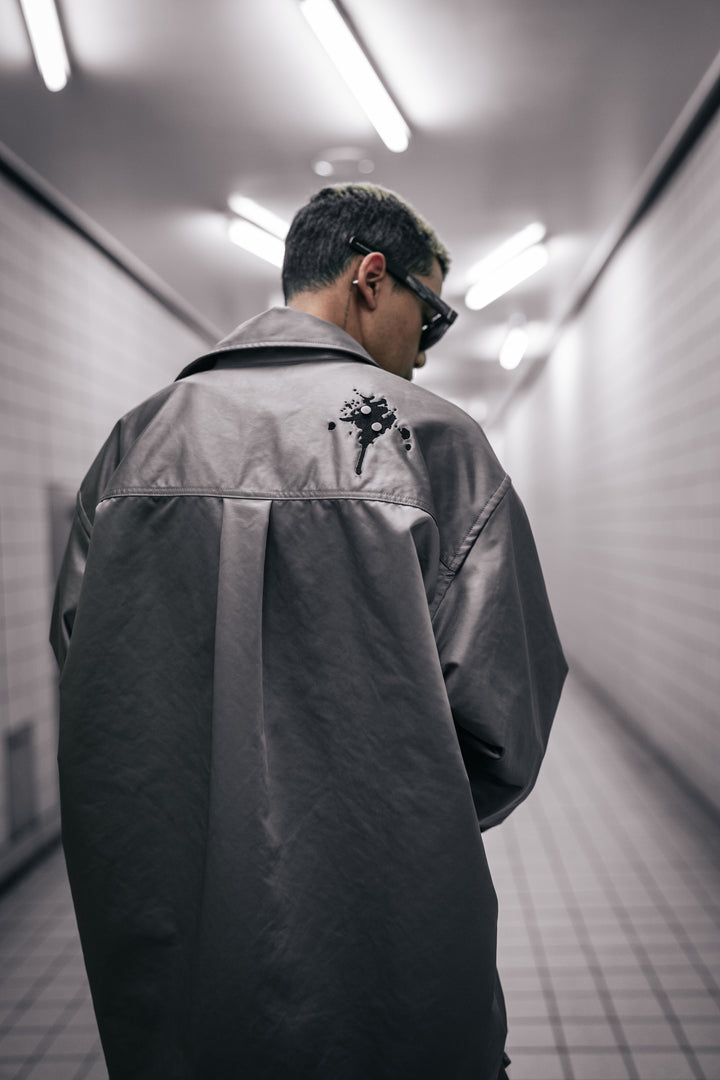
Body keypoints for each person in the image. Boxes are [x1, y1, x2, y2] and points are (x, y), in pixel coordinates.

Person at [51, 183, 567, 1080]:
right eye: (430, 314)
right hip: (389, 918)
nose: (425, 348)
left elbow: (86, 661)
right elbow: (502, 726)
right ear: (373, 278)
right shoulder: (436, 444)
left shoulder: (138, 441)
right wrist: (384, 808)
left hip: (179, 915)